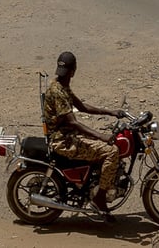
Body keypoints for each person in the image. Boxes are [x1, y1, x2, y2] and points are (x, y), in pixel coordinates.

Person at [41, 51, 126, 215]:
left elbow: (82, 107)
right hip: (63, 141)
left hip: (68, 136)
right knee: (112, 151)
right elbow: (73, 122)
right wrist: (101, 136)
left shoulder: (61, 85)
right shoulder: (58, 91)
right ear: (74, 70)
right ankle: (100, 199)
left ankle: (96, 184)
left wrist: (110, 112)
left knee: (105, 145)